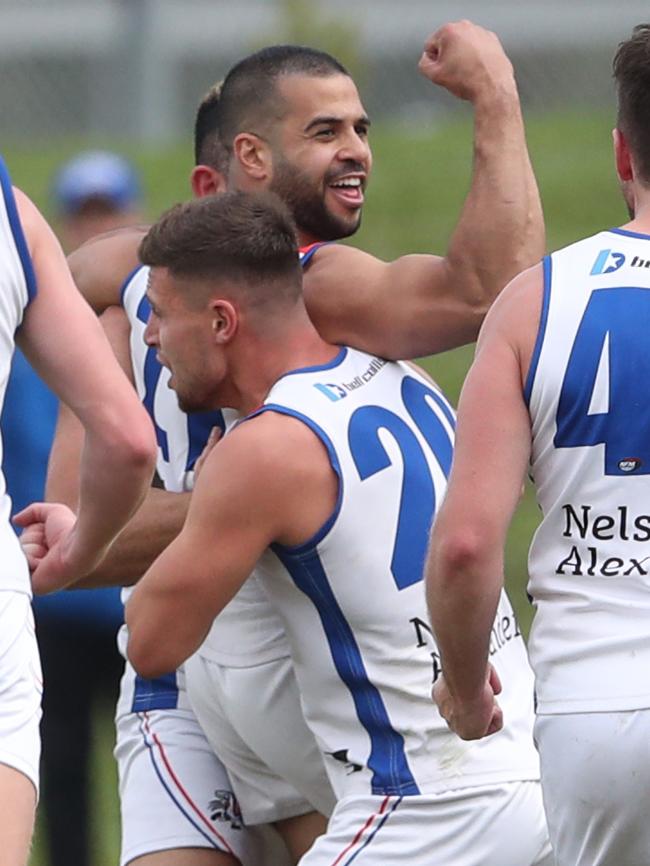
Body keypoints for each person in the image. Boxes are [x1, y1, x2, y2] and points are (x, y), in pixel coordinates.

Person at [45, 22, 547, 866]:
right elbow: (490, 292)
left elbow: (490, 293)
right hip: (211, 673)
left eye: (360, 129)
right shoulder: (157, 287)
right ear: (234, 169)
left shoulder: (308, 291)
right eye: (326, 133)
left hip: (294, 675)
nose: (356, 151)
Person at [110, 190, 549, 866]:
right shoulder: (404, 376)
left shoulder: (265, 449)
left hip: (424, 809)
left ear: (222, 321)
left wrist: (210, 503)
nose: (149, 336)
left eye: (161, 315)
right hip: (529, 780)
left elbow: (151, 642)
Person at [425, 22, 650, 866]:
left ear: (623, 155)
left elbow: (468, 542)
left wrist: (461, 681)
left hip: (596, 711)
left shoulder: (534, 302)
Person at [0, 156, 155, 866]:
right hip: (43, 596)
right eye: (85, 209)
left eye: (109, 207)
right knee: (57, 779)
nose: (97, 222)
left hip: (124, 595)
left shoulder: (161, 330)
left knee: (136, 770)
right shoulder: (28, 304)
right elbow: (130, 442)